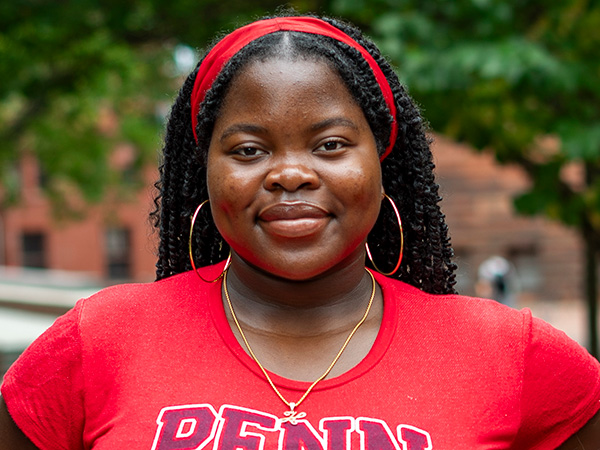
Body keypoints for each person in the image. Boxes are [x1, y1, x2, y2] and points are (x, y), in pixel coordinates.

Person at [1, 13, 599, 449]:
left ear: (382, 160)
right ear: (204, 169)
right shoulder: (97, 341)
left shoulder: (509, 354)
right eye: (249, 149)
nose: (290, 174)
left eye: (331, 144)